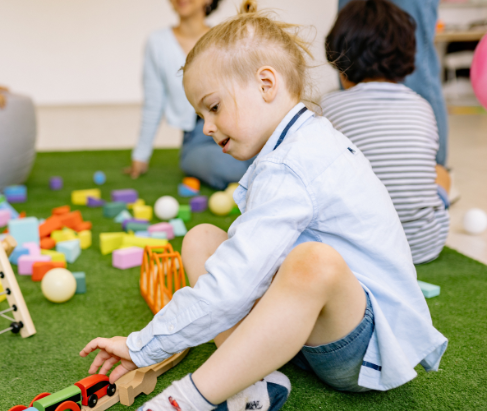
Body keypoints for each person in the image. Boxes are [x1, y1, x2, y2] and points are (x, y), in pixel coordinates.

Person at [80, 2, 447, 410]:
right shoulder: (291, 146)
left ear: (266, 84)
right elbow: (242, 270)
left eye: (213, 107)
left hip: (359, 347)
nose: (207, 127)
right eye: (201, 114)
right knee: (202, 238)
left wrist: (142, 345)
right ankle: (251, 384)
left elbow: (233, 285)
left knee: (314, 262)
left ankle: (188, 399)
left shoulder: (293, 161)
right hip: (306, 332)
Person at [322, 0, 450, 264]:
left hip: (357, 249)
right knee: (441, 172)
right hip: (424, 244)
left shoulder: (329, 107)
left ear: (339, 60)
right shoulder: (422, 106)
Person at [126, 0, 256, 190]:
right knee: (230, 167)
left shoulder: (225, 38)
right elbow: (153, 103)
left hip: (238, 129)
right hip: (196, 139)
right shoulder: (157, 42)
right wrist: (141, 155)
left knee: (265, 154)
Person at [338, 0, 448, 167]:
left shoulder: (327, 108)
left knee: (349, 46)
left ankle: (434, 165)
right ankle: (434, 168)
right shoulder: (422, 108)